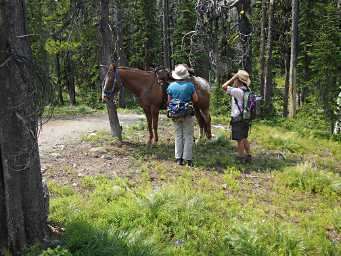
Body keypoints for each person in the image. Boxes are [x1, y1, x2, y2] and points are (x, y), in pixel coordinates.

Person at [167, 64, 198, 167]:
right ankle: (188, 159)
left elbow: (169, 101)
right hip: (187, 113)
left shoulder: (171, 86)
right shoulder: (190, 86)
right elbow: (196, 99)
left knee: (178, 135)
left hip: (175, 113)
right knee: (188, 136)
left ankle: (178, 158)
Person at [222, 70, 252, 163]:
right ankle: (248, 155)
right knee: (244, 137)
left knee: (239, 140)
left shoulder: (238, 91)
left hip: (238, 118)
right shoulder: (247, 90)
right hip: (246, 117)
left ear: (238, 80)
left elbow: (224, 86)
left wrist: (233, 77)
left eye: (236, 79)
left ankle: (240, 158)